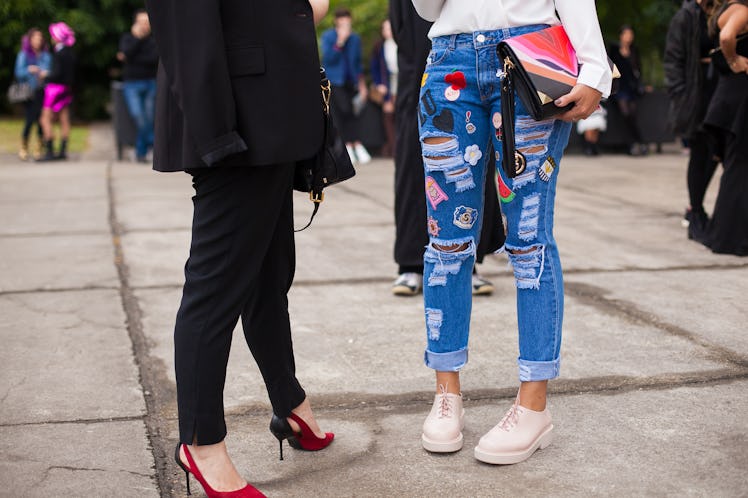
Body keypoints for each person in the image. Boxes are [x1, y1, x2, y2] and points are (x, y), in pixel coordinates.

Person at [145, 0, 334, 496]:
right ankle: (201, 442)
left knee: (268, 279)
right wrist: (217, 137)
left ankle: (291, 402)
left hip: (273, 116)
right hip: (237, 124)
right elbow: (184, 25)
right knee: (215, 289)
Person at [411, 0, 612, 464]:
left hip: (530, 53)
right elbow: (426, 8)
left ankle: (533, 405)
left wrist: (594, 65)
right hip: (449, 58)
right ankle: (446, 394)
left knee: (528, 239)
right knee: (447, 242)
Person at [389, 0, 503, 298]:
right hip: (419, 47)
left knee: (473, 151)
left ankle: (471, 260)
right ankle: (411, 262)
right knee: (414, 156)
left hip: (474, 36)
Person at [664, 0, 720, 239]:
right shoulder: (686, 16)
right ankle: (695, 209)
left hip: (718, 91)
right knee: (699, 153)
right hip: (695, 96)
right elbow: (673, 60)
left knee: (716, 153)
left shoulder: (720, 11)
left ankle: (698, 207)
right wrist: (681, 95)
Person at [700, 0, 748, 255]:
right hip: (739, 101)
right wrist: (735, 60)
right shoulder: (741, 11)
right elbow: (728, 36)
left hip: (728, 99)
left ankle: (724, 236)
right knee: (739, 170)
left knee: (736, 169)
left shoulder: (725, 9)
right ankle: (729, 240)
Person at [320, 8, 372, 165]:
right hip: (335, 81)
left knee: (353, 113)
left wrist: (362, 85)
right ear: (336, 21)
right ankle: (347, 146)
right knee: (341, 113)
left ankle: (355, 144)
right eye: (341, 20)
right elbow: (328, 60)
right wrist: (340, 42)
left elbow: (357, 63)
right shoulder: (329, 37)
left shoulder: (355, 38)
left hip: (351, 82)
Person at [117, 9, 158, 163]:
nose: (144, 26)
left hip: (150, 83)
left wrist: (131, 58)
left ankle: (140, 153)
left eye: (147, 23)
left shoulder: (154, 40)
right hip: (131, 84)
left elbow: (153, 60)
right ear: (135, 23)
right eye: (141, 22)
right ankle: (152, 143)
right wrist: (138, 40)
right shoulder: (128, 38)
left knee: (149, 117)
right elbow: (126, 53)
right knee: (139, 117)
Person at [38, 22, 75, 162]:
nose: (51, 37)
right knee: (64, 119)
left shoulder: (59, 53)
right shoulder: (70, 53)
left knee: (45, 119)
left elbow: (57, 74)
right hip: (66, 89)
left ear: (58, 37)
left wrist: (45, 74)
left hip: (55, 89)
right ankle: (63, 151)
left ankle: (49, 151)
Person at [609, 25, 648, 156]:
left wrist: (641, 84)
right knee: (625, 113)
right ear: (621, 35)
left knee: (633, 114)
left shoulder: (634, 51)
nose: (629, 37)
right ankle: (631, 144)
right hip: (619, 88)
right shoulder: (614, 50)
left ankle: (639, 142)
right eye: (626, 34)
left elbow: (638, 70)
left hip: (631, 88)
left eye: (631, 34)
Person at [13, 28, 51, 161]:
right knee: (29, 120)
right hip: (29, 92)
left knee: (42, 121)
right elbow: (18, 73)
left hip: (43, 91)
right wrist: (29, 70)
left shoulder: (45, 55)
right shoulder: (24, 54)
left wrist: (45, 74)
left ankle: (39, 147)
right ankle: (24, 147)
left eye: (40, 39)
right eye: (35, 38)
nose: (38, 41)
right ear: (30, 40)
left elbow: (51, 71)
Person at [370, 19, 398, 158]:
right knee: (388, 114)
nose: (387, 31)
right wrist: (378, 83)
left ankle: (398, 146)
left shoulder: (401, 43)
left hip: (400, 82)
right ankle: (393, 147)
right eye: (385, 28)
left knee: (401, 115)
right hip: (388, 83)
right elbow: (375, 68)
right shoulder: (380, 47)